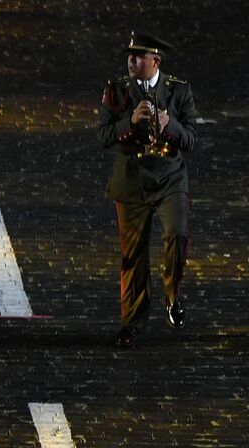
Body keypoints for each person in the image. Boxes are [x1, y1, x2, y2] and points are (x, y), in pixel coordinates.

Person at [96, 32, 198, 349]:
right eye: (129, 55)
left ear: (155, 61)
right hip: (132, 182)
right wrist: (129, 123)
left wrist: (170, 124)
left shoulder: (179, 91)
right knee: (133, 256)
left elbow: (192, 140)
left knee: (177, 234)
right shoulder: (116, 90)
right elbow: (103, 136)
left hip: (169, 178)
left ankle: (173, 295)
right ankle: (132, 323)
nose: (131, 61)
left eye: (138, 56)